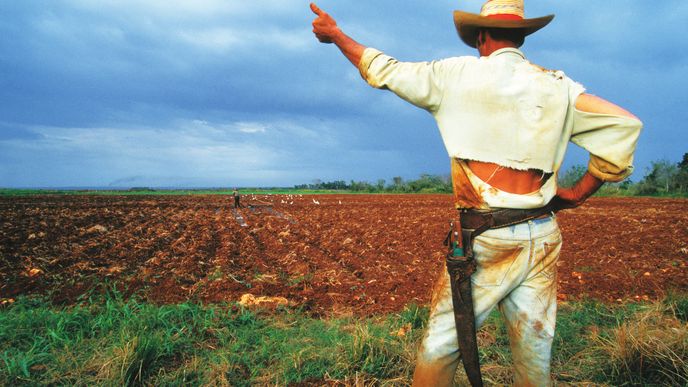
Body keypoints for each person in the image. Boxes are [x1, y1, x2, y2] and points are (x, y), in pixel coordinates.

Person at [311, 1, 642, 386]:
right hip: (543, 233)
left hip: (486, 237)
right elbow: (625, 125)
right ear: (521, 36)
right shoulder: (559, 86)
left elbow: (383, 69)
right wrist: (579, 193)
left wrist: (335, 36)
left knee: (440, 346)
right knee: (534, 355)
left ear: (480, 37)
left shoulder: (455, 74)